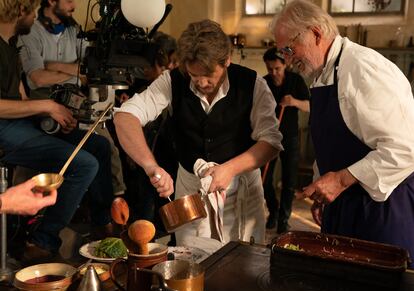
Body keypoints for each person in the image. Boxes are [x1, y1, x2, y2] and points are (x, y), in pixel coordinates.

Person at [114, 19, 283, 250]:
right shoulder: (173, 81)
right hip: (192, 193)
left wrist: (229, 169)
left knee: (244, 264)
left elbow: (271, 142)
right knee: (193, 260)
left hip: (240, 190)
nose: (202, 82)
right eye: (194, 75)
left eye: (209, 75)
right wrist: (151, 166)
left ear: (226, 61)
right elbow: (125, 117)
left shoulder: (252, 84)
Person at [272, 0, 414, 267]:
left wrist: (340, 181)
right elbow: (333, 142)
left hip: (380, 212)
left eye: (290, 50)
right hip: (343, 208)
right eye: (283, 53)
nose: (288, 61)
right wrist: (321, 186)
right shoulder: (323, 73)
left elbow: (405, 149)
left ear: (315, 33)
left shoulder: (362, 69)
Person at [0, 0, 113, 263]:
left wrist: (54, 114)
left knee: (99, 146)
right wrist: (47, 105)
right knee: (83, 164)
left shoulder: (11, 43)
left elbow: (20, 100)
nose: (36, 16)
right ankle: (41, 241)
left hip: (18, 123)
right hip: (3, 129)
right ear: (20, 10)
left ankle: (102, 226)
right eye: (33, 11)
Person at [18, 0, 126, 197]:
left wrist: (52, 66)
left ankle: (114, 204)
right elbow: (38, 77)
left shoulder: (74, 29)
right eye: (68, 0)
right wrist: (75, 72)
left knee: (107, 147)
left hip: (76, 98)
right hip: (42, 101)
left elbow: (88, 67)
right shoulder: (30, 30)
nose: (74, 6)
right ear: (51, 1)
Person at [261, 47, 310, 232]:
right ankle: (273, 212)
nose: (273, 73)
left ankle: (283, 219)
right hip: (269, 137)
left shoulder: (295, 80)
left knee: (289, 181)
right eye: (270, 69)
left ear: (285, 65)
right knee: (264, 180)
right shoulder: (264, 83)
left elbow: (310, 106)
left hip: (290, 137)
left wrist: (293, 102)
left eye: (277, 69)